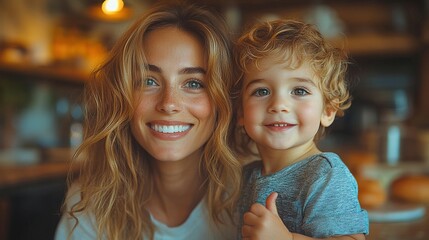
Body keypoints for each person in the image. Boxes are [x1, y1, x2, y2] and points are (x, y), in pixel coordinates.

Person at [54, 3, 241, 240]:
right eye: (148, 81)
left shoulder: (254, 200)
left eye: (194, 84)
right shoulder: (90, 199)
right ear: (121, 94)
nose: (169, 103)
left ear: (225, 99)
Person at [232, 19, 369, 240]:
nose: (279, 104)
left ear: (328, 111)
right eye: (261, 91)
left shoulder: (324, 175)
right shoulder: (247, 176)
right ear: (240, 113)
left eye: (299, 90)